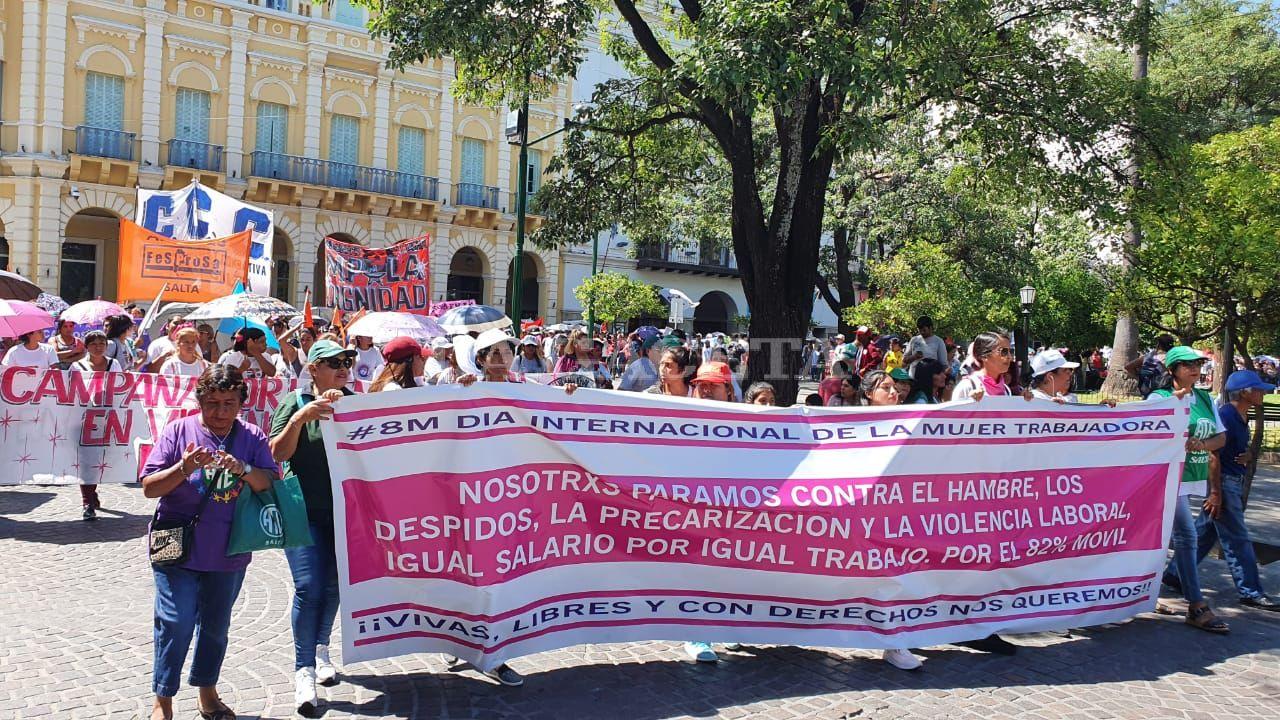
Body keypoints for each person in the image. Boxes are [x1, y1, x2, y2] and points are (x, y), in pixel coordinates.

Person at [141, 365, 277, 720]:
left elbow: (269, 484)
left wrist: (244, 470)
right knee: (175, 620)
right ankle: (163, 699)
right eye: (212, 403)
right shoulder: (177, 431)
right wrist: (183, 468)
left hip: (229, 547)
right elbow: (149, 488)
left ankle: (208, 692)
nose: (220, 412)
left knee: (216, 626)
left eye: (229, 403)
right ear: (199, 401)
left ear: (241, 404)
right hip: (174, 540)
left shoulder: (252, 436)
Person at [270, 340, 356, 714]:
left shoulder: (357, 402)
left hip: (345, 512)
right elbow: (277, 453)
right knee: (308, 587)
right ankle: (303, 669)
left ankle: (321, 648)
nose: (343, 368)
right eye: (334, 362)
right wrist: (301, 418)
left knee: (335, 584)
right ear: (314, 369)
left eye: (347, 361)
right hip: (303, 510)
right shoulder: (293, 402)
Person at [1163, 369, 1280, 612]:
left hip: (1229, 481)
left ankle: (1175, 574)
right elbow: (1213, 452)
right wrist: (1216, 491)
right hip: (1223, 483)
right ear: (1245, 393)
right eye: (1257, 389)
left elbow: (1231, 447)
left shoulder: (1240, 415)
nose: (1262, 393)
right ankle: (1251, 590)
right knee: (1237, 538)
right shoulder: (1227, 414)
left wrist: (1248, 455)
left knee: (1205, 531)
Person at [1151, 346, 1229, 633]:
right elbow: (1150, 429)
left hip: (1191, 475)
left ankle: (1148, 591)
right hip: (1168, 478)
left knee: (1169, 537)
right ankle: (1196, 604)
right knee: (1186, 535)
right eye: (1186, 365)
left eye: (1197, 363)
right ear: (1172, 370)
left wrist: (1203, 445)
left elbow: (1221, 438)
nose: (1194, 369)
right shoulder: (1159, 398)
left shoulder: (1206, 398)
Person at [856, 369, 922, 670]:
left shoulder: (909, 422)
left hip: (891, 518)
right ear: (869, 394)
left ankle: (895, 642)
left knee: (893, 578)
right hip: (856, 520)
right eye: (886, 388)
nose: (894, 393)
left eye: (895, 388)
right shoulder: (849, 425)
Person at [71, 330, 122, 521]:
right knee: (87, 461)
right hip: (83, 419)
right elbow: (72, 391)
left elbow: (120, 386)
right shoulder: (78, 366)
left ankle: (92, 492)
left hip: (107, 419)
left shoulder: (113, 364)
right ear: (87, 346)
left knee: (100, 459)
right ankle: (87, 501)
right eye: (94, 343)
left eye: (102, 343)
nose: (98, 347)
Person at [952, 332, 1012, 400]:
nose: (1010, 357)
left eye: (1011, 351)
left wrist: (1023, 401)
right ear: (984, 356)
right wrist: (970, 402)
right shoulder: (967, 387)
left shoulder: (1006, 390)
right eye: (1003, 351)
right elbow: (954, 410)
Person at [1126, 334, 1175, 398]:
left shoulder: (1146, 357)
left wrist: (1138, 376)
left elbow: (1128, 367)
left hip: (1146, 392)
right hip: (1164, 394)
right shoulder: (1170, 358)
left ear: (1158, 344)